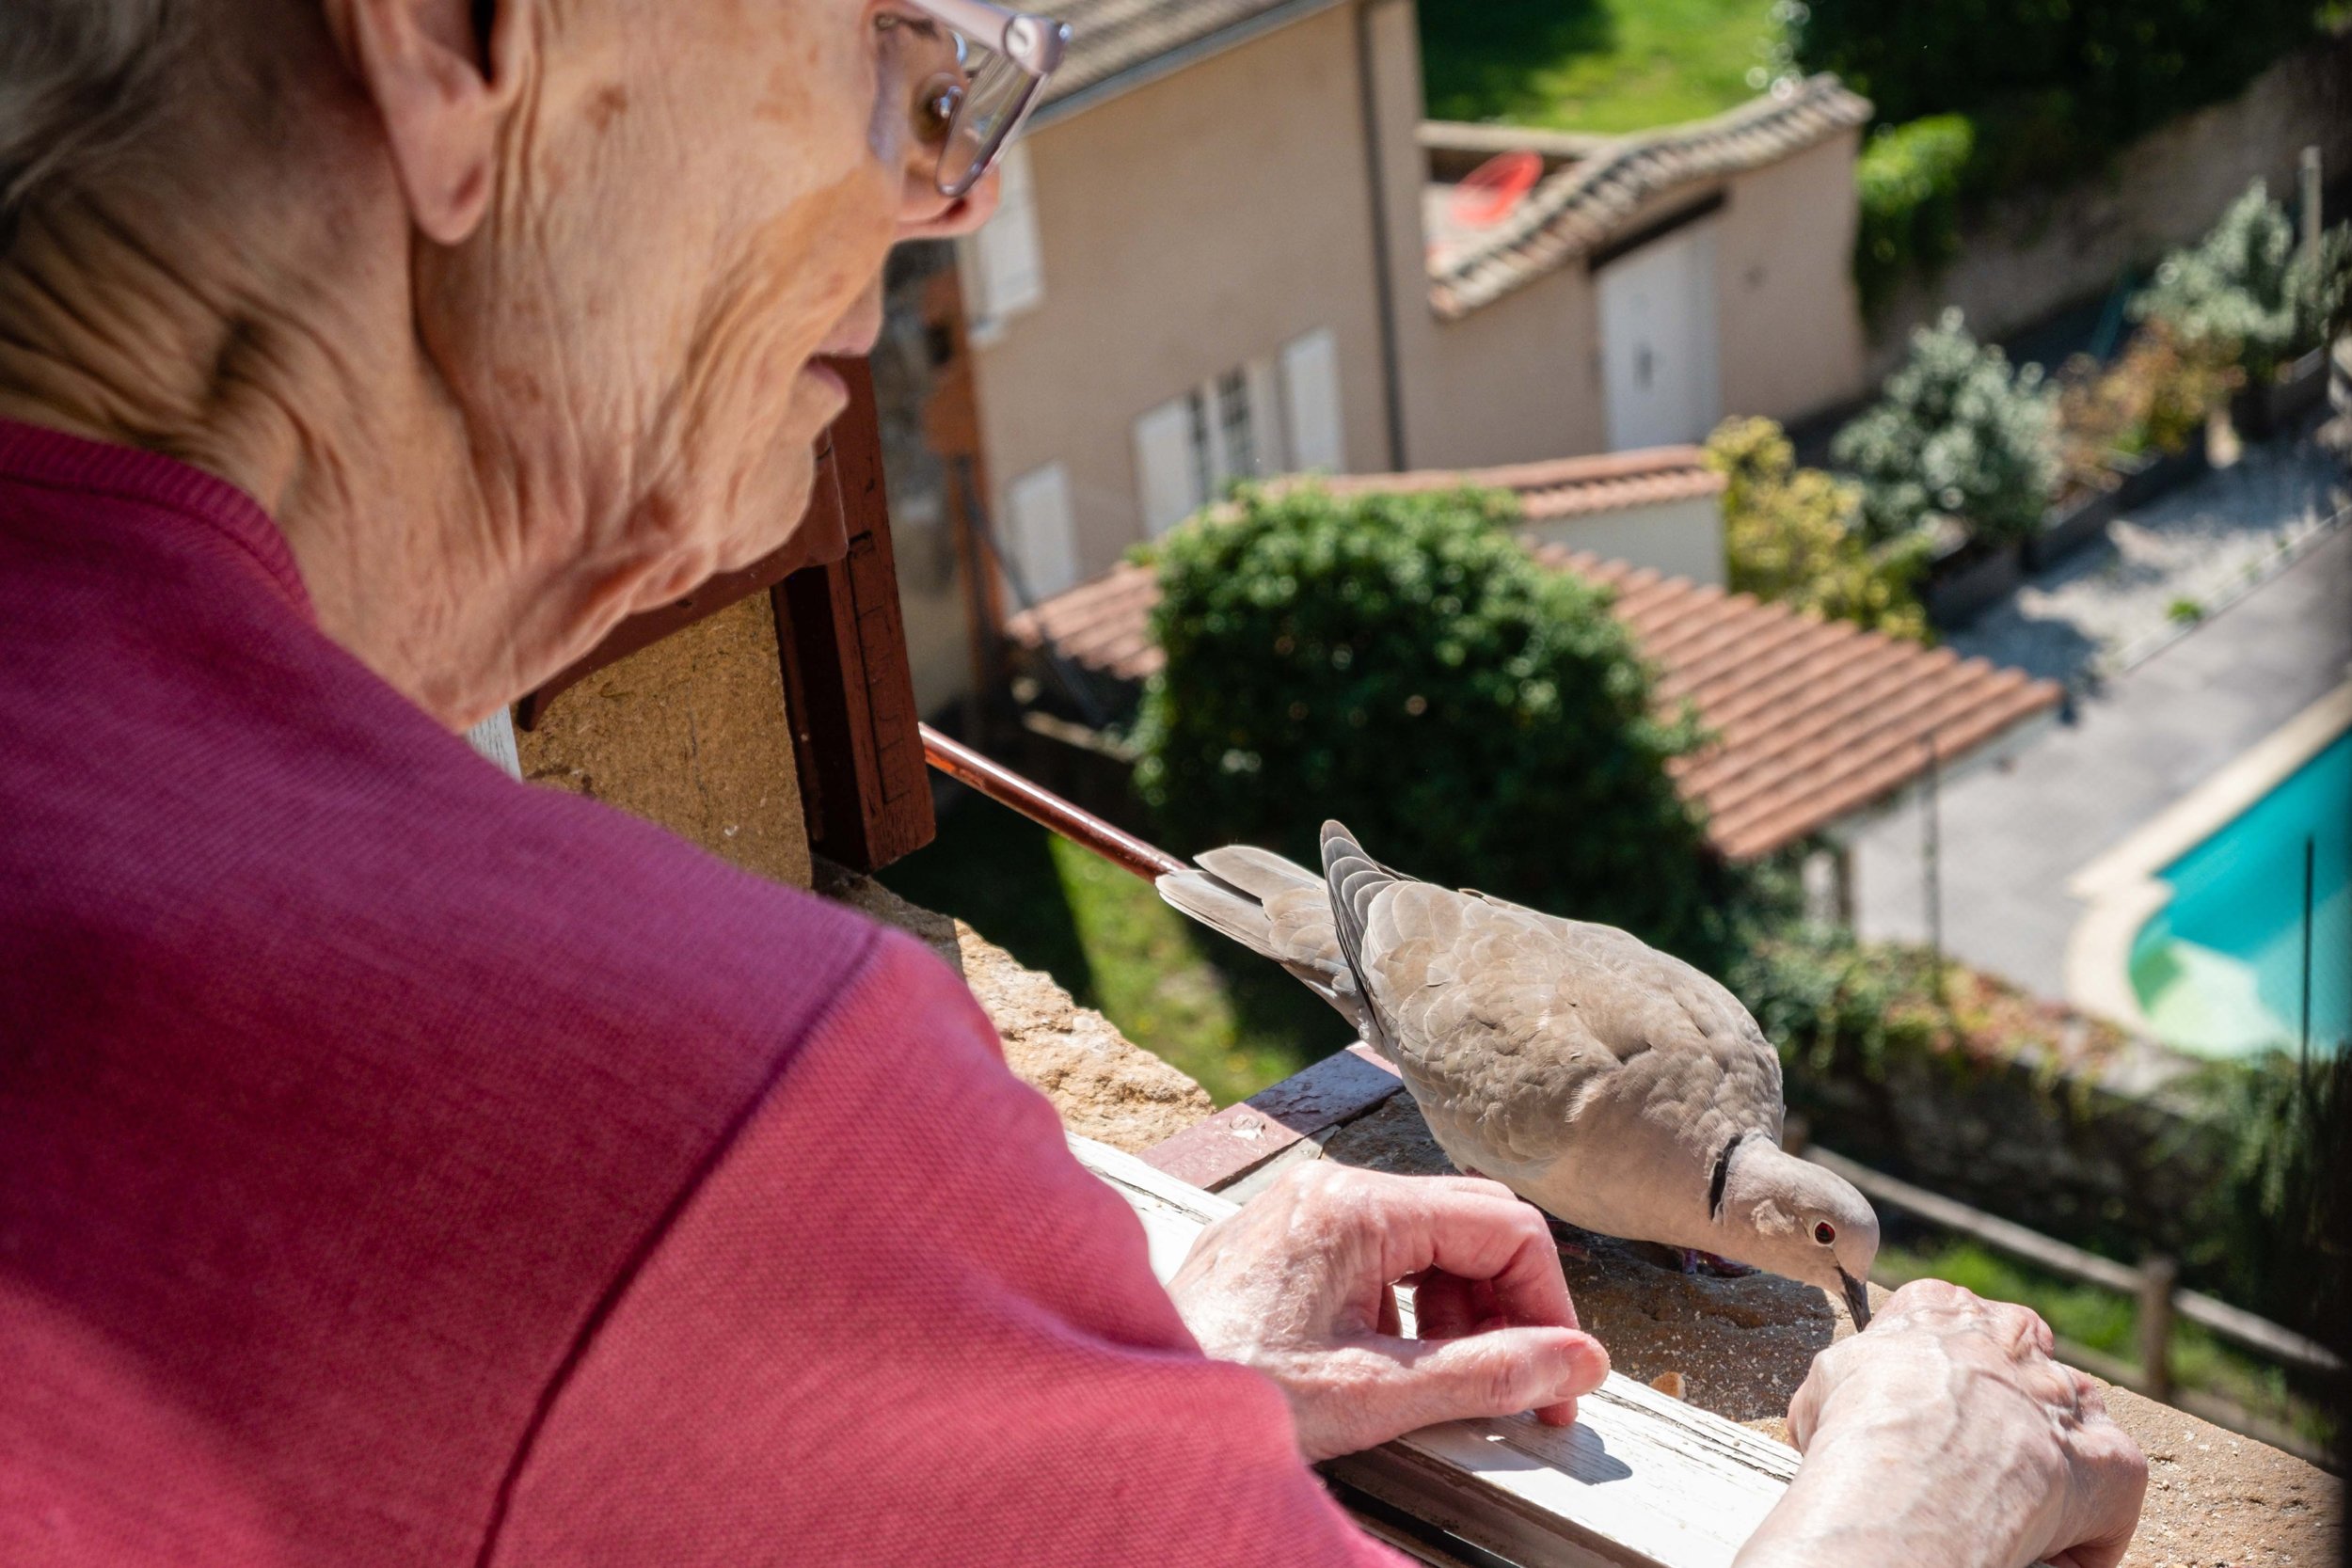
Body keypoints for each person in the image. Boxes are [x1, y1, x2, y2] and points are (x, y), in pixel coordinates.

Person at [0, 2, 2145, 1564]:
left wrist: (1058, 1437)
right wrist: (1900, 1518)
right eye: (903, 43)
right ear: (457, 39)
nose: (966, 179)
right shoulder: (644, 1108)